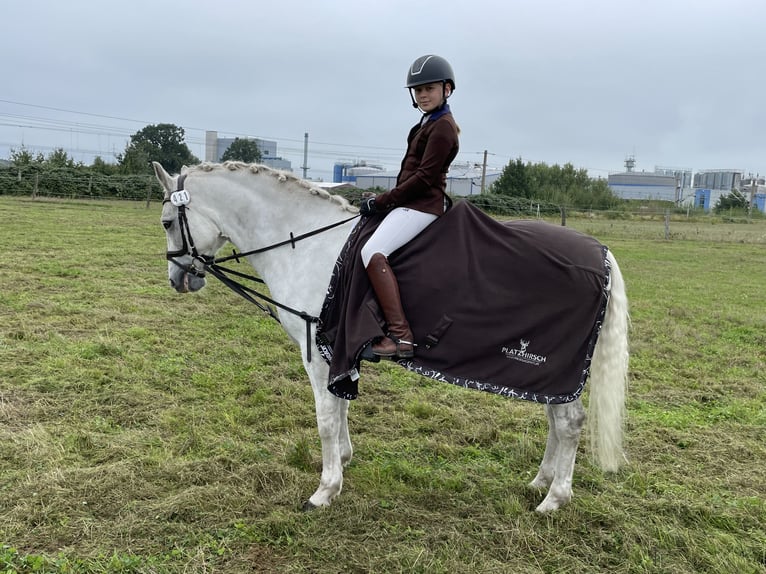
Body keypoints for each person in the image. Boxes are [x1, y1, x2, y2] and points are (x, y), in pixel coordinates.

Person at [359, 54, 460, 359]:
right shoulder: (425, 123)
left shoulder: (443, 127)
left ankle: (400, 337)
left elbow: (423, 178)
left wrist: (381, 201)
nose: (423, 95)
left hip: (422, 206)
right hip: (410, 203)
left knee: (372, 253)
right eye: (418, 91)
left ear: (447, 89)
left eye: (429, 88)